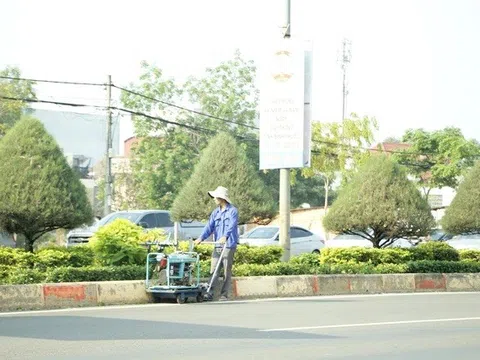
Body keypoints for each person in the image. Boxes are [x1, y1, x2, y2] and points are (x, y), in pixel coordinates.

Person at [194, 186, 239, 301]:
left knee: (226, 271)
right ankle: (209, 292)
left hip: (229, 244)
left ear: (221, 198)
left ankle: (224, 294)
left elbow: (232, 225)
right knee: (213, 269)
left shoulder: (233, 211)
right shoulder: (215, 212)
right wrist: (200, 238)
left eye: (215, 197)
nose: (214, 199)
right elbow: (209, 227)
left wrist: (225, 236)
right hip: (218, 245)